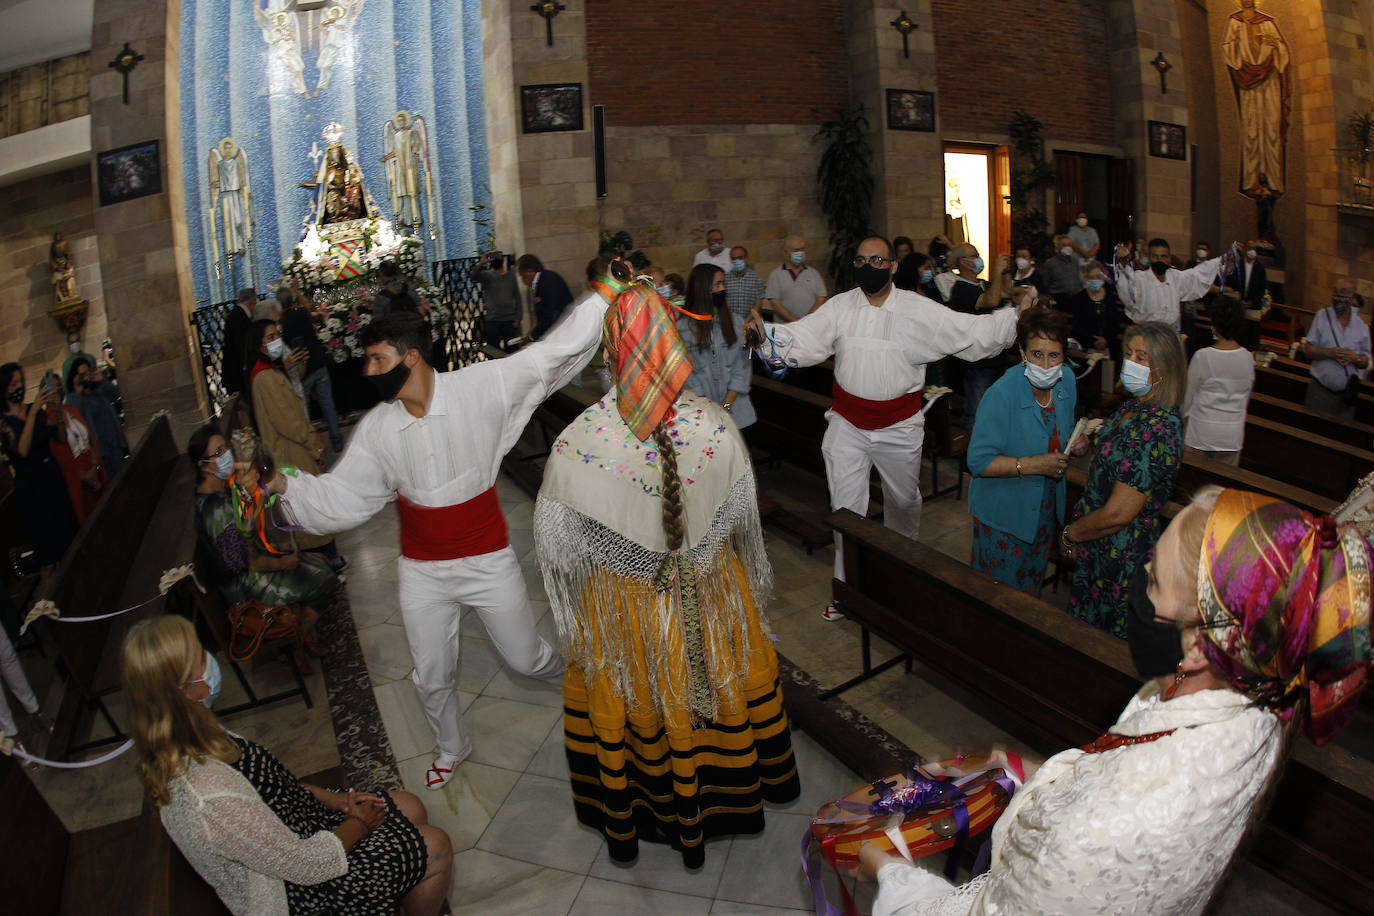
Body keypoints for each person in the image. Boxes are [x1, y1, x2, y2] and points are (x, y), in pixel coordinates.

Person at [865, 485, 1372, 915]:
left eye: (1152, 579)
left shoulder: (1097, 835)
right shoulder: (1257, 700)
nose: (1141, 571)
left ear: (1199, 645)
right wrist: (1039, 774)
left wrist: (894, 878)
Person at [237, 293, 612, 790]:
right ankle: (453, 744)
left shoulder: (481, 386)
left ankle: (573, 670)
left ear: (410, 356)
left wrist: (605, 297)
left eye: (377, 359)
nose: (369, 371)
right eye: (367, 360)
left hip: (486, 559)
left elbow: (549, 354)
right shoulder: (377, 429)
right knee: (431, 673)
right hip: (423, 571)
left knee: (525, 658)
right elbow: (343, 496)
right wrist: (282, 484)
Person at [535, 273, 798, 867]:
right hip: (710, 592)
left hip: (625, 604)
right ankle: (721, 799)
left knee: (643, 703)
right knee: (713, 692)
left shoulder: (580, 442)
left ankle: (648, 813)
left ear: (610, 352)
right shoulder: (714, 425)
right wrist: (687, 551)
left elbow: (565, 543)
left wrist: (629, 548)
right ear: (672, 345)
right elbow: (736, 519)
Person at [746, 237, 1026, 620]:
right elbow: (805, 337)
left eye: (877, 259)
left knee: (904, 501)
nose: (868, 266)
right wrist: (765, 335)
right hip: (847, 424)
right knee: (845, 509)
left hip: (899, 426)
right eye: (861, 260)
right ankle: (848, 589)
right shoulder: (842, 305)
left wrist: (1014, 316)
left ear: (893, 266)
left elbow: (970, 331)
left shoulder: (918, 309)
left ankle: (900, 572)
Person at [122, 615, 453, 916]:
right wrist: (360, 824)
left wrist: (333, 800)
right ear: (183, 690)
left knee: (410, 806)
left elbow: (272, 788)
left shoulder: (195, 727)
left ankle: (399, 891)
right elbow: (306, 865)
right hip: (295, 892)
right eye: (198, 658)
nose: (209, 659)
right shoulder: (207, 792)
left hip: (294, 824)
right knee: (435, 846)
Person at [1061, 323, 1186, 638]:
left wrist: (1071, 533)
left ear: (1164, 368)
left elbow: (1119, 513)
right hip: (1100, 542)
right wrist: (1090, 445)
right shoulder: (1133, 406)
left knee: (1107, 638)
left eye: (1142, 357)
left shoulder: (1156, 428)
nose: (1131, 362)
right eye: (1129, 353)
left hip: (1121, 551)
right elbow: (1119, 455)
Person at [967, 310, 1085, 596]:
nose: (1045, 365)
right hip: (1004, 514)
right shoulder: (1002, 394)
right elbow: (978, 461)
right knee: (999, 596)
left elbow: (1060, 432)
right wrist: (1032, 465)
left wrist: (1077, 443)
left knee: (1029, 593)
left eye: (1054, 355)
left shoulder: (1066, 381)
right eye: (1037, 354)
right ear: (1021, 351)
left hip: (1043, 510)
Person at [189, 426, 336, 643]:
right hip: (247, 588)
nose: (226, 455)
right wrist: (281, 563)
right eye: (218, 453)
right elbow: (239, 562)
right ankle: (300, 640)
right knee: (324, 577)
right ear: (203, 465)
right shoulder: (215, 509)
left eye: (226, 448)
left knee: (320, 561)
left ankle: (303, 635)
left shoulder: (223, 489)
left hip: (254, 567)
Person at [246, 320, 343, 566]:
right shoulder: (264, 377)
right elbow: (287, 420)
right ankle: (325, 561)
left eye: (278, 334)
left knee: (311, 505)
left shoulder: (268, 370)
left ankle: (327, 558)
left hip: (293, 448)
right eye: (270, 336)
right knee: (308, 508)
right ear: (259, 343)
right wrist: (313, 444)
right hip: (290, 451)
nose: (277, 339)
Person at [0, 364, 78, 576]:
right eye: (14, 383)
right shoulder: (4, 422)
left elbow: (60, 439)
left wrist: (57, 412)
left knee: (68, 540)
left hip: (52, 478)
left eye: (21, 382)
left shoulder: (33, 409)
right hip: (32, 486)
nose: (20, 387)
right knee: (48, 551)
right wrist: (33, 413)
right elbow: (22, 450)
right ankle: (49, 603)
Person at [936, 245, 1011, 428]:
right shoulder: (960, 288)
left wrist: (1005, 272)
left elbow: (1007, 293)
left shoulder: (982, 284)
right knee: (976, 412)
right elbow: (991, 300)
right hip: (977, 362)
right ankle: (971, 453)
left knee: (998, 408)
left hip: (995, 356)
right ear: (963, 262)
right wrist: (997, 270)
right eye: (974, 256)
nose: (979, 259)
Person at [678, 264, 755, 429]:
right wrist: (709, 407)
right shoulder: (683, 328)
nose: (722, 289)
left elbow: (743, 366)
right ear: (702, 289)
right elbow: (685, 374)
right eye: (717, 285)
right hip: (700, 412)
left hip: (736, 410)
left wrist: (727, 404)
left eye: (723, 284)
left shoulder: (736, 322)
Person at [1183, 296, 1254, 466]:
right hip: (1231, 433)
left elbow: (1187, 399)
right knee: (1222, 487)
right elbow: (1246, 397)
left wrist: (1181, 421)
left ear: (1214, 325)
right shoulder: (1248, 358)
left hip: (1201, 430)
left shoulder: (1203, 356)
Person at [277, 289, 344, 453]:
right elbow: (307, 305)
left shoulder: (281, 323)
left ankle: (312, 447)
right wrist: (297, 289)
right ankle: (336, 439)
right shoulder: (302, 312)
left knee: (304, 411)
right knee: (327, 403)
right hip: (318, 364)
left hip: (301, 369)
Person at [1113, 237, 1223, 332]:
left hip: (1170, 335)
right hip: (1146, 335)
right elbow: (1126, 285)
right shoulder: (1139, 279)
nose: (1159, 260)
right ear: (1149, 258)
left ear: (1169, 258)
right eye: (1155, 256)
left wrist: (1223, 260)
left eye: (1163, 256)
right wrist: (1123, 260)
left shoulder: (1176, 277)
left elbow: (1197, 275)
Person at [1302, 277, 1371, 419]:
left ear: (1352, 296)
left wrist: (1355, 358)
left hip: (1345, 397)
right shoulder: (1322, 316)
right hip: (1319, 392)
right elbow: (1307, 349)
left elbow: (1367, 362)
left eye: (1343, 292)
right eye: (1335, 291)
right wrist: (1329, 353)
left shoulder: (1361, 326)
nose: (1338, 296)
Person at [63, 352, 128, 479]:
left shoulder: (98, 390)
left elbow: (115, 394)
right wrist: (78, 390)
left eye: (87, 372)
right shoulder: (73, 398)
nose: (86, 377)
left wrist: (101, 380)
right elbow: (75, 414)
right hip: (99, 450)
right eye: (81, 375)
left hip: (114, 443)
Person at [47, 392, 105, 524]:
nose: (55, 393)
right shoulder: (48, 420)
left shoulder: (71, 410)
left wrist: (95, 464)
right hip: (77, 473)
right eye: (51, 390)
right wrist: (83, 475)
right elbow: (60, 454)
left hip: (92, 463)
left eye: (57, 388)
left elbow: (88, 437)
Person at [763, 235, 827, 321]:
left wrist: (806, 321)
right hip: (785, 328)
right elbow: (774, 303)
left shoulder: (814, 273)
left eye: (802, 249)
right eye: (796, 250)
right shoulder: (776, 275)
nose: (800, 253)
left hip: (810, 327)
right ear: (785, 252)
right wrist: (796, 322)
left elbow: (821, 299)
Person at [1063, 260, 1121, 356]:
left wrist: (1105, 340)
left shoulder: (1110, 297)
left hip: (1109, 345)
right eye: (1091, 277)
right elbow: (1077, 326)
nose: (1095, 280)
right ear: (1086, 278)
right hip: (1085, 346)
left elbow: (1115, 323)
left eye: (1098, 277)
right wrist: (1093, 341)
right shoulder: (1079, 298)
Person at [472, 249, 523, 350]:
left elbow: (517, 296)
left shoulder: (511, 276)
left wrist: (518, 317)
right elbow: (474, 276)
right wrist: (481, 263)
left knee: (513, 349)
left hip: (510, 320)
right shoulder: (487, 276)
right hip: (493, 320)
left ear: (503, 260)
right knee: (493, 351)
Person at [515, 253, 574, 341]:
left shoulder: (548, 281)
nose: (521, 277)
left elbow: (550, 314)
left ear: (529, 271)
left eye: (522, 274)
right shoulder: (543, 280)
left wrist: (532, 336)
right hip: (556, 331)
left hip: (561, 331)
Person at [222, 288, 257, 397]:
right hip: (237, 373)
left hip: (236, 371)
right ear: (251, 302)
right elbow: (240, 346)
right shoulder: (239, 316)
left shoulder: (236, 314)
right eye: (255, 303)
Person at [723, 245, 767, 321]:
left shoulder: (756, 279)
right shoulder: (725, 279)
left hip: (751, 322)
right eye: (734, 259)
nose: (737, 261)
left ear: (746, 259)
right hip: (730, 323)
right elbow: (723, 304)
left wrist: (745, 321)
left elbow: (758, 304)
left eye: (740, 258)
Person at [1040, 235, 1083, 302]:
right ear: (1057, 247)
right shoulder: (1050, 263)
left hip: (1075, 297)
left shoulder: (1075, 262)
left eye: (1069, 245)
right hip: (1058, 298)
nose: (1068, 247)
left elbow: (1078, 280)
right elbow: (1045, 284)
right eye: (1064, 245)